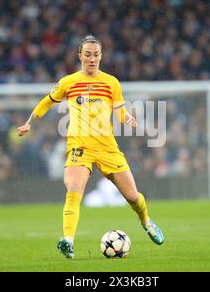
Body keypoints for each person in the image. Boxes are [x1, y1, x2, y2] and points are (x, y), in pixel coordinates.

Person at [16, 35, 164, 259]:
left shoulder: (111, 82)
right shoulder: (69, 82)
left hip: (107, 149)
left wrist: (128, 119)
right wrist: (29, 122)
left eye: (96, 54)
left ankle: (146, 222)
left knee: (133, 197)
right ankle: (68, 240)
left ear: (101, 56)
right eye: (88, 54)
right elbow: (47, 101)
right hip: (80, 148)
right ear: (80, 56)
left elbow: (119, 109)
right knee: (74, 190)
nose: (92, 59)